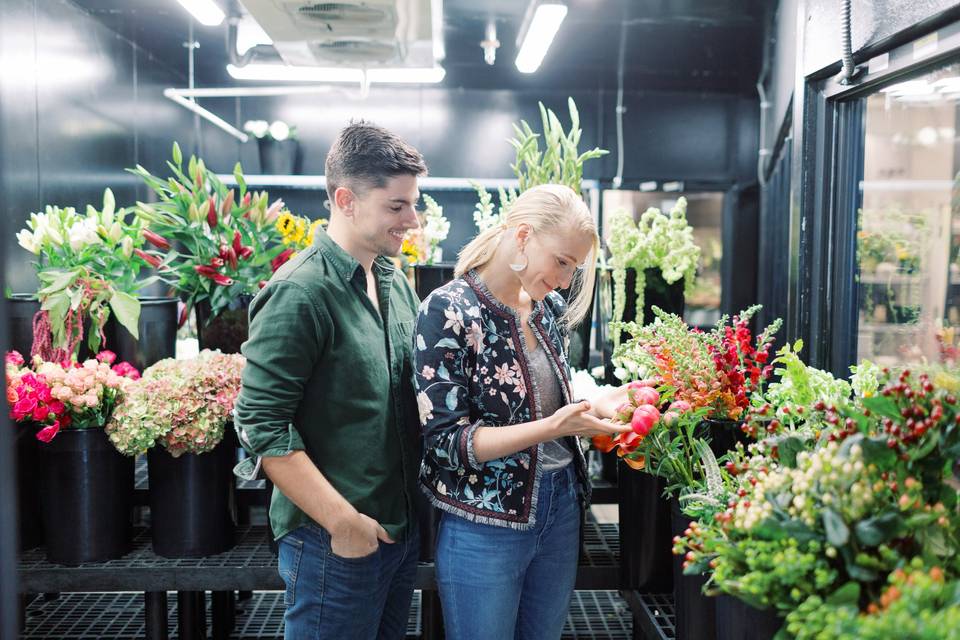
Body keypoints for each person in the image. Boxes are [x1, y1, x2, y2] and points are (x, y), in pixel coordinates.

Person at [234, 121, 427, 639]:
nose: (412, 219)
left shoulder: (394, 283)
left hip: (395, 531)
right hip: (333, 543)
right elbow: (260, 425)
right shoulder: (300, 292)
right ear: (345, 200)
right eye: (396, 206)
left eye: (413, 203)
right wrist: (343, 524)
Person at [413, 183, 631, 639]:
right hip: (485, 524)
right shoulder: (450, 311)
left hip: (561, 507)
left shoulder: (547, 308)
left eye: (575, 267)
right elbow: (447, 444)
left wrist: (597, 405)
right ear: (524, 236)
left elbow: (549, 404)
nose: (567, 280)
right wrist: (552, 426)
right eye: (563, 262)